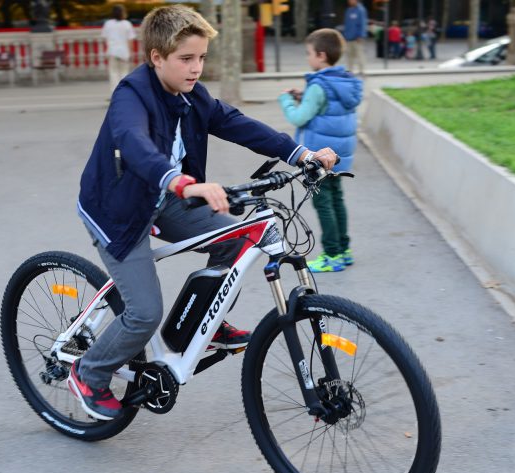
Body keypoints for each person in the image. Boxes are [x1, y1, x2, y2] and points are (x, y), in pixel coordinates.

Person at [69, 5, 340, 421]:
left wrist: (300, 153)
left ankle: (203, 325)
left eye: (201, 58)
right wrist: (182, 183)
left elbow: (236, 123)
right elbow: (134, 142)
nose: (196, 68)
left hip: (167, 197)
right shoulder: (132, 94)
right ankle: (90, 372)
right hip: (119, 210)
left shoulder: (193, 95)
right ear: (156, 57)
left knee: (236, 241)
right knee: (142, 313)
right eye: (186, 59)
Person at [278, 28, 362, 274]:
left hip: (319, 155)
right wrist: (305, 96)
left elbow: (299, 117)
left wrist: (286, 100)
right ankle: (344, 251)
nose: (308, 58)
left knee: (323, 203)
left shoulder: (319, 86)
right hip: (340, 153)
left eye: (309, 53)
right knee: (337, 199)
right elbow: (329, 106)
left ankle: (332, 254)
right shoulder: (344, 81)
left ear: (322, 55)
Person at [101, 4, 136, 93]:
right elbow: (130, 40)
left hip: (112, 51)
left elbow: (105, 38)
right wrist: (131, 52)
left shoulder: (108, 24)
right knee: (124, 73)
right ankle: (124, 92)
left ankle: (114, 92)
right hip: (124, 52)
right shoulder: (127, 24)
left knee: (113, 73)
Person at [341, 0, 367, 75]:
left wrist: (361, 35)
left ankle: (362, 70)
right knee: (349, 55)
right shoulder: (348, 10)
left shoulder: (361, 10)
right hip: (348, 37)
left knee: (359, 54)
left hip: (357, 38)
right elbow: (346, 24)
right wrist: (345, 36)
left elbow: (363, 23)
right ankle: (349, 70)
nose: (349, 1)